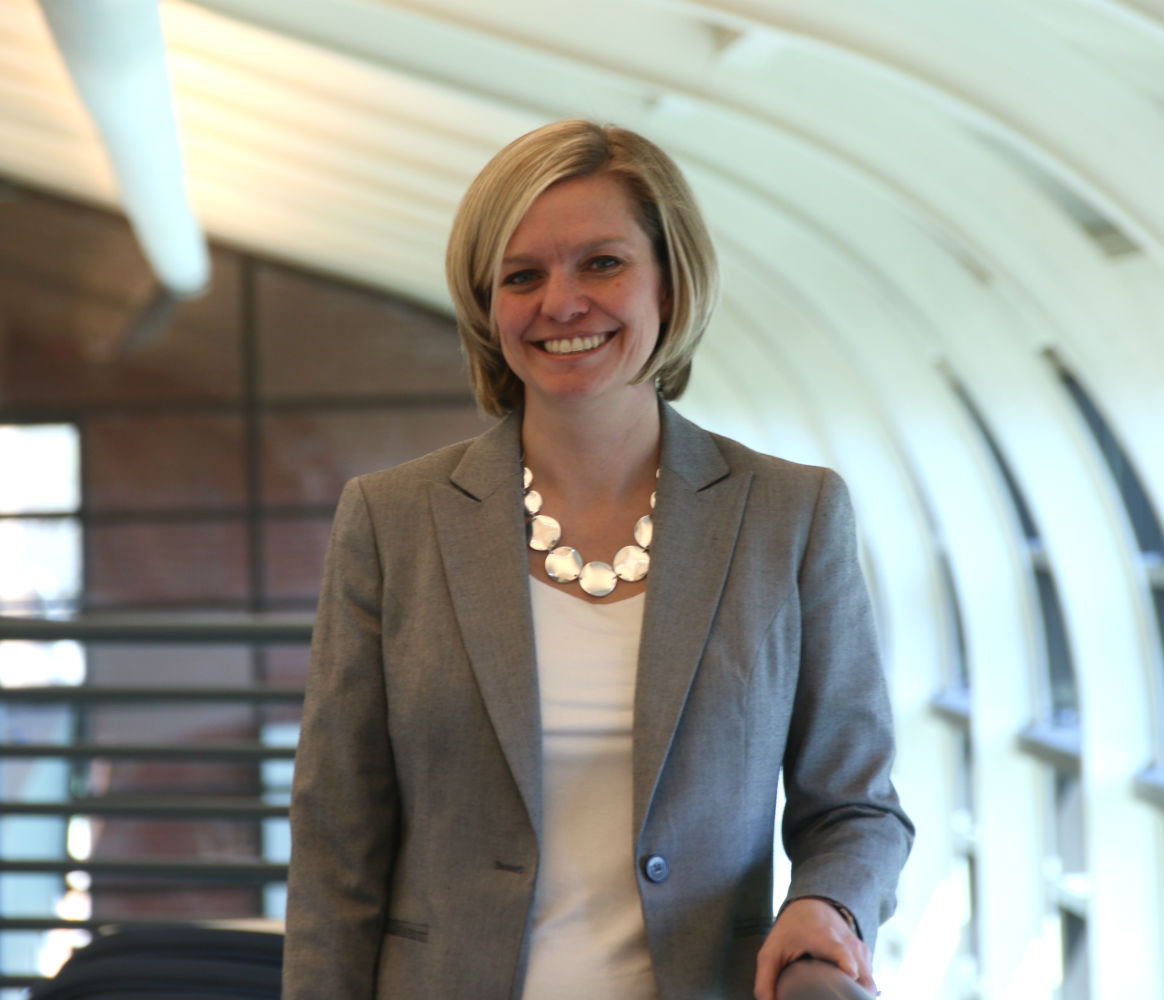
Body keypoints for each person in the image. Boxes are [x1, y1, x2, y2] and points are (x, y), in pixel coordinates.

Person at [283, 119, 912, 1000]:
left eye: (602, 264)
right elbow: (337, 841)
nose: (561, 302)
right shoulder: (392, 521)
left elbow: (853, 807)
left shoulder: (789, 515)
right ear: (485, 303)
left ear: (671, 280)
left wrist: (829, 904)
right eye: (522, 275)